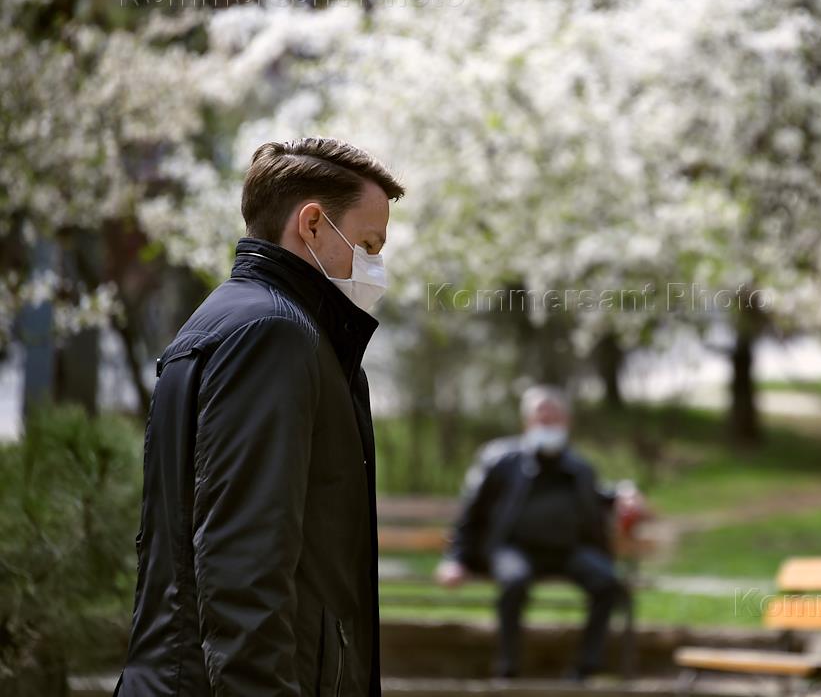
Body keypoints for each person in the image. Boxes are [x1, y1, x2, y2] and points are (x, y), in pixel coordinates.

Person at [114, 137, 405, 697]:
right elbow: (244, 562)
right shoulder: (275, 335)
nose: (375, 266)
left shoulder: (228, 319)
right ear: (313, 224)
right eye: (368, 244)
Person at [436, 385, 627, 681]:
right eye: (541, 418)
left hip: (565, 552)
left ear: (567, 422)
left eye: (554, 418)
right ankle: (508, 670)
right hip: (512, 549)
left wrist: (624, 495)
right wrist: (455, 558)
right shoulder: (499, 460)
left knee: (608, 583)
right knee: (514, 582)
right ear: (527, 422)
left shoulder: (580, 467)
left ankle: (585, 668)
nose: (547, 424)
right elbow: (471, 512)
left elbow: (597, 497)